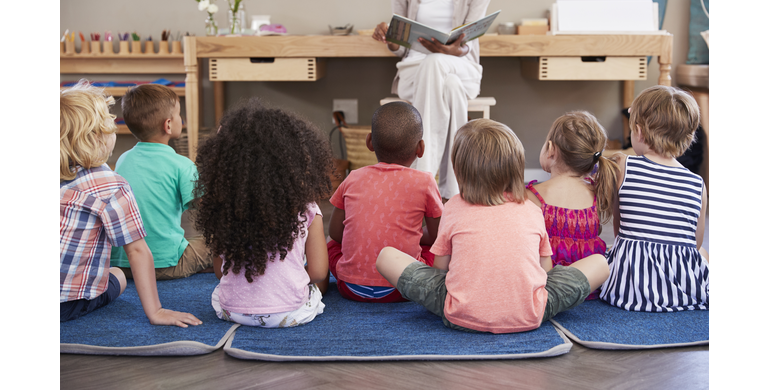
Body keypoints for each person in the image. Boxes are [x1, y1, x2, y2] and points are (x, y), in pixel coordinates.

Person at [376, 119, 609, 333]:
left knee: (386, 256)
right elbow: (546, 274)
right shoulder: (531, 208)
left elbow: (440, 271)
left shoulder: (454, 206)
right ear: (516, 169)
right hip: (531, 314)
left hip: (459, 314)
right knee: (600, 262)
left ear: (459, 171)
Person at [60, 80, 201, 327]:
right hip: (65, 305)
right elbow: (137, 250)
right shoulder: (111, 184)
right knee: (117, 278)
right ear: (96, 137)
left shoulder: (122, 161)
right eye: (110, 127)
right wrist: (156, 311)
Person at [194, 101, 333, 328]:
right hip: (291, 314)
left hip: (232, 312)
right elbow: (318, 272)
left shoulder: (223, 207)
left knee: (221, 291)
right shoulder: (307, 208)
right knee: (316, 282)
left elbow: (221, 273)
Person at [372, 0, 496, 201]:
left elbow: (467, 40)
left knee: (436, 62)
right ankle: (455, 191)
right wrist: (390, 37)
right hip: (413, 71)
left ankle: (420, 183)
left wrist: (451, 51)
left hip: (462, 66)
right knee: (448, 84)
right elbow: (400, 47)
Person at [600, 86, 709, 312]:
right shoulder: (698, 184)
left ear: (638, 132)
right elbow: (694, 243)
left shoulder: (624, 165)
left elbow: (620, 230)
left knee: (608, 251)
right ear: (689, 138)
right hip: (681, 291)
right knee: (704, 253)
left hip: (630, 288)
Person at [327, 102, 444, 302]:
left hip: (350, 287)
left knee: (330, 246)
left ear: (369, 142)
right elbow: (438, 237)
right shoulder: (425, 182)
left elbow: (336, 234)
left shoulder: (353, 178)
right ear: (420, 148)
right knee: (435, 251)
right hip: (402, 287)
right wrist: (411, 236)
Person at [109, 84, 212, 280]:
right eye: (179, 115)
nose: (182, 119)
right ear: (168, 125)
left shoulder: (122, 159)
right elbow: (208, 209)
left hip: (125, 263)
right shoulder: (182, 165)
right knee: (215, 242)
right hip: (165, 265)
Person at [526, 111, 620, 300]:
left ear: (550, 149)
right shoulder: (597, 191)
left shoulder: (531, 195)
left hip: (546, 279)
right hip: (586, 281)